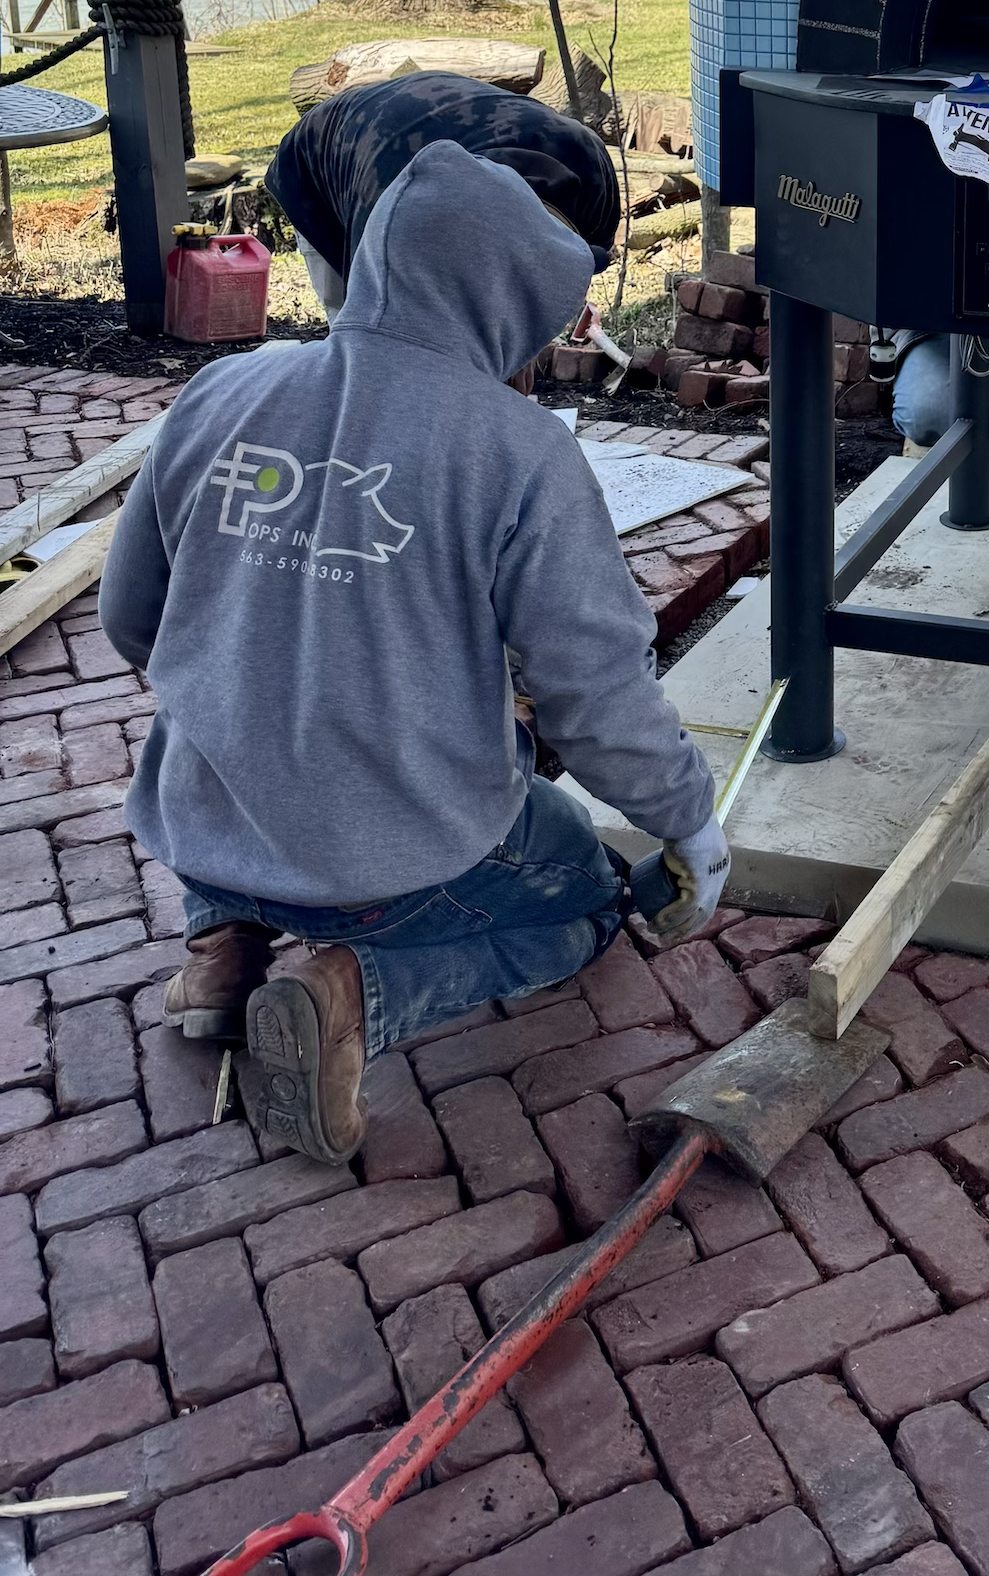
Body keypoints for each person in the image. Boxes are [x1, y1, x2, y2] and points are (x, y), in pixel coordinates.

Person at [100, 142, 727, 1167]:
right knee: (583, 905)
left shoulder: (223, 391)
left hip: (204, 825)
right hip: (387, 859)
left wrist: (250, 671)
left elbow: (133, 620)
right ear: (513, 300)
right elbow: (595, 697)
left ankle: (221, 954)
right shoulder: (520, 452)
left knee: (235, 766)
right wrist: (687, 820)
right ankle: (353, 994)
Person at [267, 71, 622, 316]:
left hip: (434, 120)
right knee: (360, 334)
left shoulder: (594, 181)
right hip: (322, 158)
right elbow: (373, 316)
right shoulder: (399, 206)